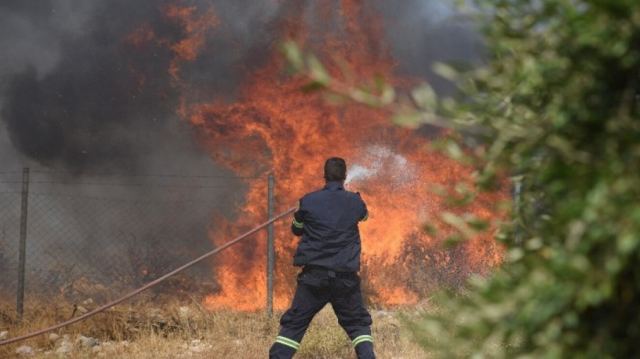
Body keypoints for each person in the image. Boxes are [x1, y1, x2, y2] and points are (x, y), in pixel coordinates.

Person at [269, 157, 375, 359]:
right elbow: (364, 216)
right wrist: (354, 200)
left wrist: (300, 215)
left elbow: (296, 230)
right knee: (357, 324)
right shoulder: (355, 201)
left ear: (324, 176)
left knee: (295, 323)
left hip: (314, 278)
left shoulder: (308, 201)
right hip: (345, 278)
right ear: (344, 176)